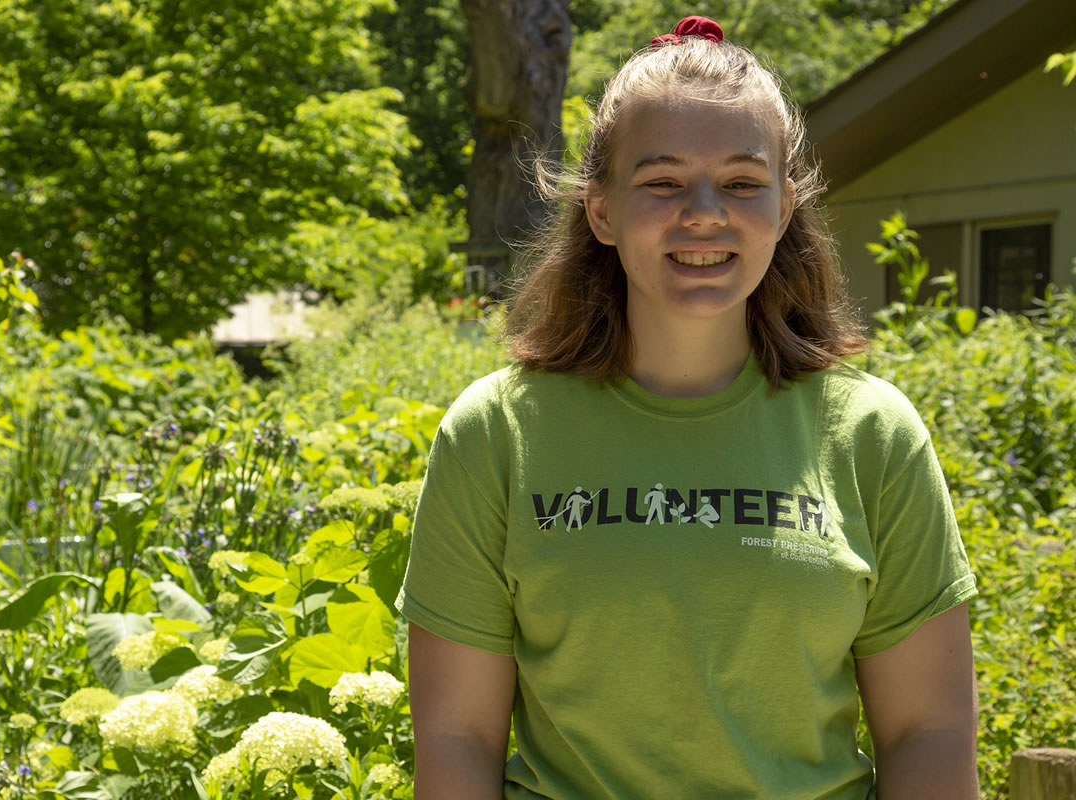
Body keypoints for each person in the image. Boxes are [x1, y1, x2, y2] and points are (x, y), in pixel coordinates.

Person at [396, 15, 980, 800]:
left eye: (742, 183)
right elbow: (455, 738)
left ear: (784, 205)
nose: (704, 212)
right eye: (663, 182)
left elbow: (928, 733)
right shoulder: (495, 434)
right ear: (600, 209)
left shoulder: (872, 434)